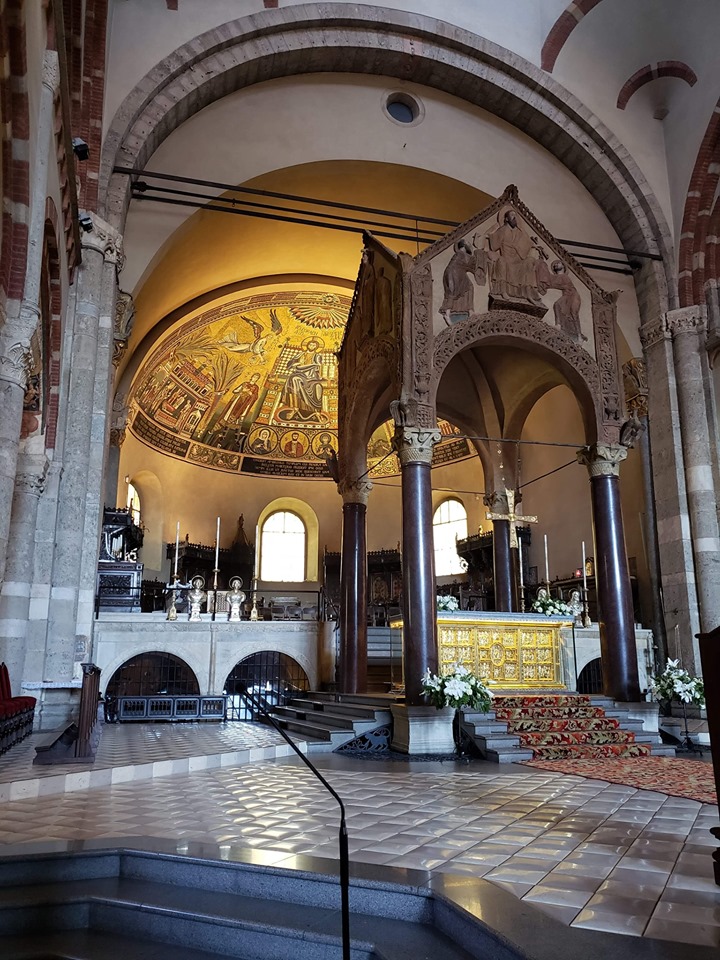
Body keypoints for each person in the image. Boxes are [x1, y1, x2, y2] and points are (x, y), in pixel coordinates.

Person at [486, 207, 543, 304]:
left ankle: (528, 293)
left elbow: (528, 242)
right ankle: (503, 291)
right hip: (507, 258)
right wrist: (490, 236)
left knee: (529, 262)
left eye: (515, 216)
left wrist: (534, 244)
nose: (514, 217)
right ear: (506, 219)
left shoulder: (520, 231)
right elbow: (494, 246)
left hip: (518, 258)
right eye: (512, 215)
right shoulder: (502, 230)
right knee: (501, 262)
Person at [439, 238, 487, 322]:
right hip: (456, 273)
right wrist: (479, 252)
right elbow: (473, 266)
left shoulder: (458, 254)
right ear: (465, 246)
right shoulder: (464, 255)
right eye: (468, 244)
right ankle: (469, 311)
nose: (469, 246)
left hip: (449, 273)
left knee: (452, 292)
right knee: (468, 287)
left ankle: (448, 312)